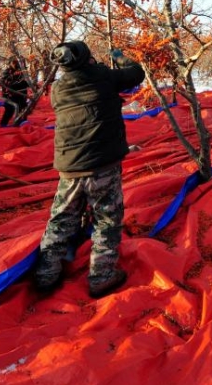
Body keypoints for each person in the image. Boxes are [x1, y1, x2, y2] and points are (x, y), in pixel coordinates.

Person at [34, 42, 145, 297]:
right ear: (87, 59)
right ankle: (101, 276)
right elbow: (136, 74)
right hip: (102, 165)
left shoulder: (58, 89)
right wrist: (119, 56)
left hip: (70, 167)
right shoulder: (103, 77)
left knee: (61, 219)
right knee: (107, 220)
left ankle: (46, 274)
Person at [0, 57, 30, 127]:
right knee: (9, 111)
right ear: (10, 63)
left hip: (21, 95)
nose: (16, 64)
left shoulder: (22, 72)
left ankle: (22, 125)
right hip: (10, 95)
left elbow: (25, 82)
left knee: (22, 110)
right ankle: (3, 125)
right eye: (14, 62)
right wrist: (13, 76)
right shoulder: (7, 72)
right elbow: (5, 82)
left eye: (17, 62)